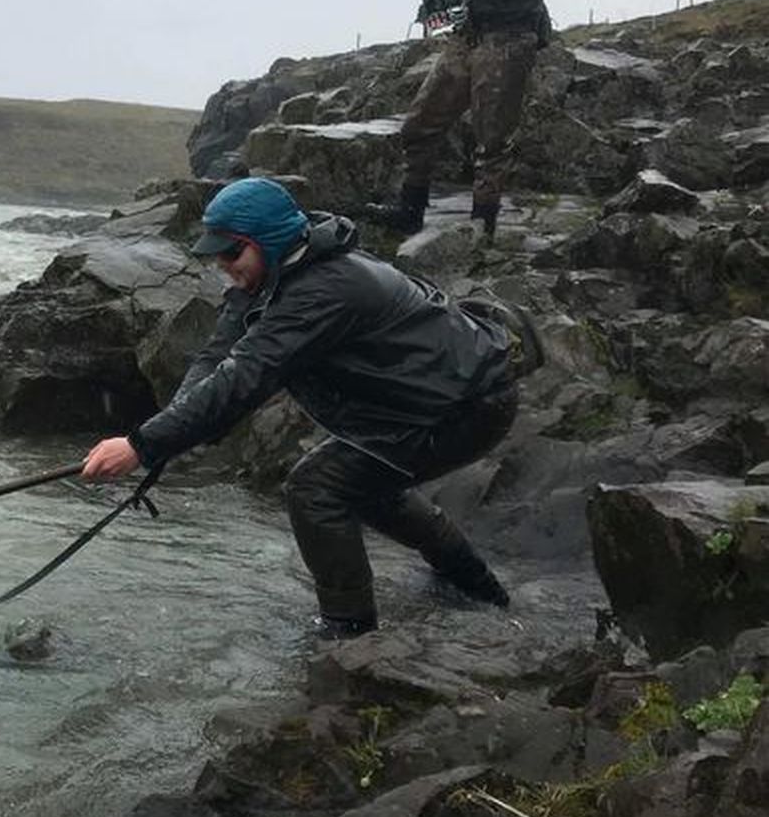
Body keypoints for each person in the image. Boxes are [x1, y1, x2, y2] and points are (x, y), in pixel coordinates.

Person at [82, 177, 522, 640]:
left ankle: (350, 634)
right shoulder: (276, 270)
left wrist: (141, 446)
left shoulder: (322, 290)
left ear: (266, 242)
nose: (222, 264)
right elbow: (217, 357)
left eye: (232, 252)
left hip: (467, 406)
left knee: (317, 487)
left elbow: (244, 378)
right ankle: (477, 591)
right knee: (361, 482)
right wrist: (162, 437)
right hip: (413, 404)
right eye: (217, 253)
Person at [367, 0, 553, 240]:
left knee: (492, 139)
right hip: (463, 40)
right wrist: (438, 6)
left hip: (509, 40)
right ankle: (410, 209)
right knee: (419, 126)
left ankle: (482, 223)